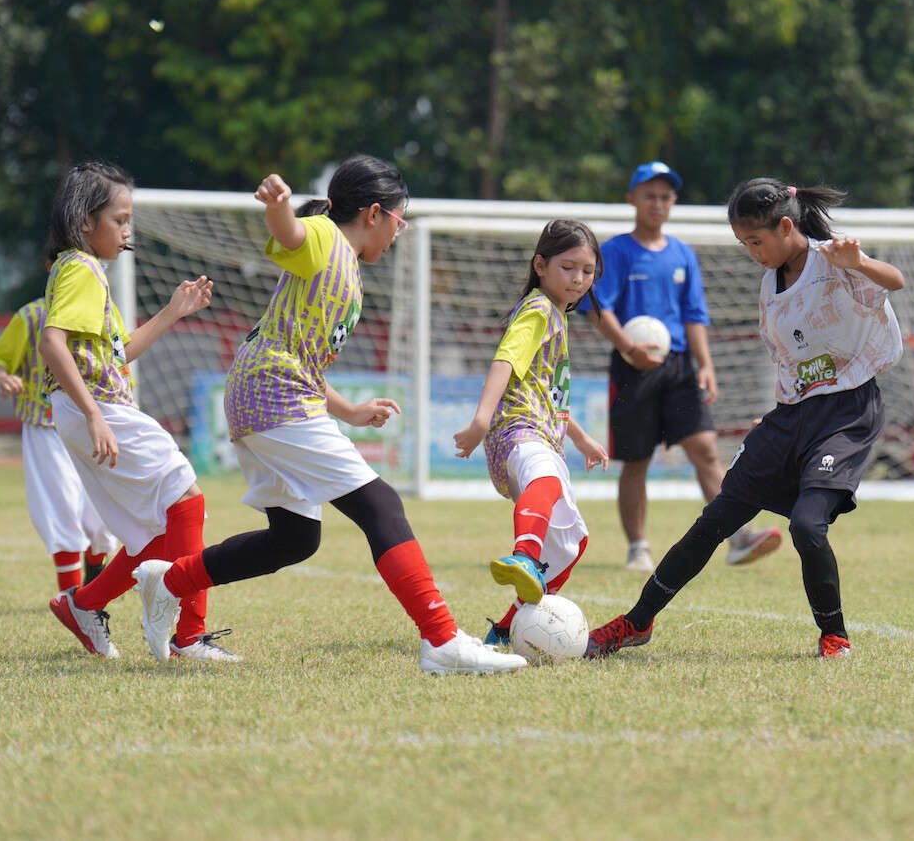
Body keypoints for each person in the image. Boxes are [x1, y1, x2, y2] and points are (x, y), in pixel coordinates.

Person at [130, 155, 527, 674]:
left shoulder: (350, 270)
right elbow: (291, 233)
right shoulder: (324, 235)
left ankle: (171, 581)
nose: (399, 234)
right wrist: (277, 206)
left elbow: (308, 360)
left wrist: (350, 411)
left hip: (269, 393)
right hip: (271, 395)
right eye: (400, 222)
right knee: (381, 505)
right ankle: (442, 640)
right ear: (374, 213)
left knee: (295, 539)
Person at [585, 177, 906, 660]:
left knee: (807, 526)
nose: (752, 252)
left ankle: (834, 635)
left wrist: (858, 261)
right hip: (790, 416)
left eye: (756, 241)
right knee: (714, 520)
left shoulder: (834, 260)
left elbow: (894, 281)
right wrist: (776, 412)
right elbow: (790, 361)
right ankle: (637, 622)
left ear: (783, 226)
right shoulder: (769, 284)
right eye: (744, 244)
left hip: (847, 413)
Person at [41, 161, 238, 662]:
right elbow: (51, 344)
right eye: (119, 219)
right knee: (187, 499)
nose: (128, 231)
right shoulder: (82, 269)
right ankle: (187, 636)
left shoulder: (82, 269)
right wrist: (93, 414)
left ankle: (83, 605)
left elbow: (116, 354)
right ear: (86, 222)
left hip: (90, 406)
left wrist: (172, 312)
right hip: (95, 407)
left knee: (160, 527)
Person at [581, 161, 782, 572]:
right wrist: (630, 348)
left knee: (705, 448)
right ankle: (638, 546)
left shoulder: (682, 254)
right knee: (637, 460)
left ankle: (738, 537)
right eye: (649, 195)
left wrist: (705, 365)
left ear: (673, 202)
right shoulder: (616, 251)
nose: (658, 203)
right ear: (632, 199)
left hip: (678, 367)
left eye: (666, 196)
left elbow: (694, 315)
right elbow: (598, 308)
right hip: (631, 367)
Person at [453, 219, 610, 645]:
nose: (579, 278)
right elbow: (505, 361)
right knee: (546, 483)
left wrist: (578, 436)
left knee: (570, 545)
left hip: (540, 434)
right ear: (540, 265)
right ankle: (524, 555)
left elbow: (547, 392)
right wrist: (481, 420)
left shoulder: (556, 315)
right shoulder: (538, 309)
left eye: (588, 270)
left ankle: (505, 632)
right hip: (517, 432)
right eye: (568, 267)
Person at [0, 274, 117, 592]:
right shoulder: (32, 316)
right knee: (61, 511)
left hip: (94, 425)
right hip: (45, 426)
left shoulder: (104, 311)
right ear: (53, 267)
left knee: (101, 515)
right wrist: (3, 376)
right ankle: (72, 599)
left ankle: (93, 589)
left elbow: (122, 355)